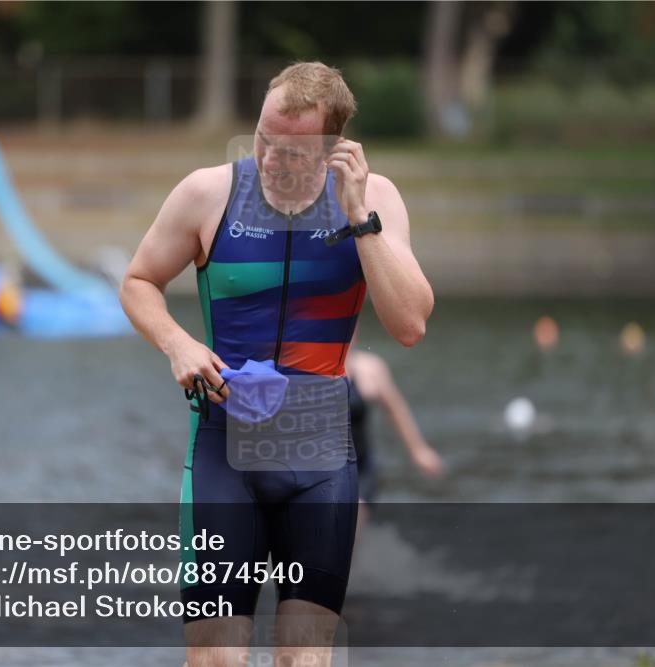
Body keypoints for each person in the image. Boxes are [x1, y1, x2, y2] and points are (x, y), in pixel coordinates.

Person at [120, 62, 434, 667]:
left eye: (292, 151)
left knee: (303, 660)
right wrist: (177, 343)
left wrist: (358, 217)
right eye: (264, 137)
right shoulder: (207, 193)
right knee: (217, 659)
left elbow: (410, 325)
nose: (269, 158)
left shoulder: (376, 201)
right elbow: (138, 282)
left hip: (320, 458)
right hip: (223, 450)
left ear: (333, 149)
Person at [345, 344, 443, 531]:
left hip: (360, 469)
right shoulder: (308, 368)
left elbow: (395, 410)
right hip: (322, 467)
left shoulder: (369, 368)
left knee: (351, 523)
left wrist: (418, 451)